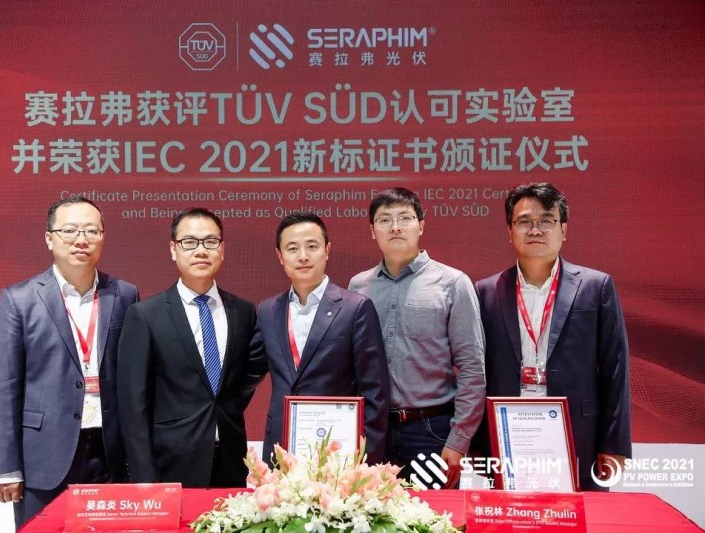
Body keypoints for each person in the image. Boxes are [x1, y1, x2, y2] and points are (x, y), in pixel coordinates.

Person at [0, 196, 139, 528]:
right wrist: (6, 467)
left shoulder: (125, 294)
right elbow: (3, 387)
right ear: (49, 238)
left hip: (110, 451)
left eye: (91, 230)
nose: (81, 239)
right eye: (69, 231)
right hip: (45, 455)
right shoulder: (20, 299)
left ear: (103, 237)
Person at [474, 182, 631, 490]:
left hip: (579, 433)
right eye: (524, 222)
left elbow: (616, 369)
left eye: (546, 220)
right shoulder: (486, 291)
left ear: (564, 229)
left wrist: (614, 444)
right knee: (512, 513)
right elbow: (478, 372)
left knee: (580, 512)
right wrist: (479, 443)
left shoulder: (595, 286)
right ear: (509, 231)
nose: (535, 229)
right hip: (510, 432)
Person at [117, 207, 266, 487]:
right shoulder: (146, 315)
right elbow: (133, 405)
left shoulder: (243, 311)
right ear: (173, 250)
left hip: (230, 462)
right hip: (170, 465)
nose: (201, 251)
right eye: (189, 242)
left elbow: (240, 381)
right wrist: (143, 478)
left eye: (210, 242)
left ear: (222, 250)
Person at [348, 187, 486, 488]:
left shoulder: (453, 283)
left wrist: (458, 440)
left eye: (405, 218)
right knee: (371, 513)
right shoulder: (358, 286)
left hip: (431, 432)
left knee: (434, 514)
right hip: (373, 431)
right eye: (384, 220)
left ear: (421, 225)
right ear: (372, 230)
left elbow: (472, 368)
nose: (395, 227)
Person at [258, 212, 389, 465]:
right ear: (280, 256)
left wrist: (365, 460)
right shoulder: (267, 310)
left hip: (338, 450)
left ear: (327, 250)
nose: (303, 256)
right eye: (292, 248)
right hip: (281, 447)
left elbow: (375, 392)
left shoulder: (355, 308)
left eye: (312, 246)